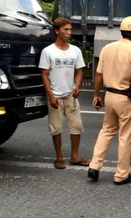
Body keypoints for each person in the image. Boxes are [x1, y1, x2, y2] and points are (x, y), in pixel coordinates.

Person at [87, 16, 131, 185]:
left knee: (106, 131)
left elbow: (99, 74)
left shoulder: (108, 48)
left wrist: (96, 95)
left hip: (109, 96)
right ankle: (121, 174)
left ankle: (94, 166)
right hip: (126, 98)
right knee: (125, 137)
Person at [39, 17, 89, 170]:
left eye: (70, 30)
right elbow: (44, 74)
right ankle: (59, 157)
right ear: (56, 31)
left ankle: (74, 156)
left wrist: (77, 86)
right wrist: (51, 95)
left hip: (71, 96)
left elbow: (79, 71)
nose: (69, 32)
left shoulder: (75, 50)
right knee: (56, 128)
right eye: (65, 30)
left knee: (77, 126)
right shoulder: (48, 51)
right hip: (55, 95)